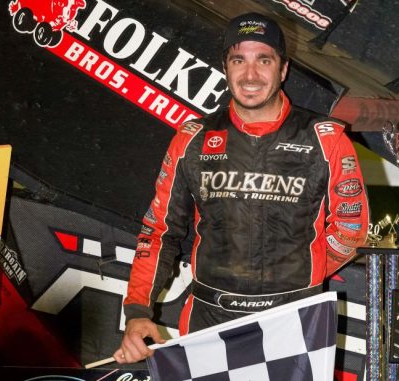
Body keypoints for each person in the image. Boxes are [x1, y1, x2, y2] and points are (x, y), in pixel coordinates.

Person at [114, 12, 369, 364]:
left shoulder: (326, 139)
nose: (250, 75)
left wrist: (296, 279)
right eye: (239, 60)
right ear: (225, 67)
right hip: (209, 320)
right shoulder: (193, 139)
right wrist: (138, 309)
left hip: (294, 322)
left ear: (283, 70)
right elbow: (158, 231)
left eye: (264, 60)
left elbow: (351, 230)